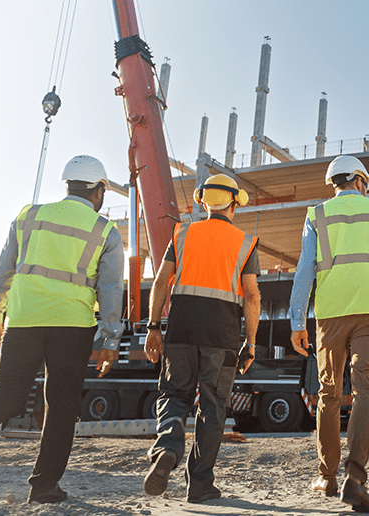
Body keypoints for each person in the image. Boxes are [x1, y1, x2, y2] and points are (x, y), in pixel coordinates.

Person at [0, 155, 124, 503]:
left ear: (67, 185)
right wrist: (109, 339)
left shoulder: (28, 216)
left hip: (24, 319)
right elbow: (110, 290)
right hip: (72, 326)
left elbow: (2, 271)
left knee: (7, 389)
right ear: (99, 191)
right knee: (60, 405)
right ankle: (43, 487)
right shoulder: (105, 231)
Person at [290, 155, 369, 513]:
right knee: (365, 391)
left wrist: (298, 321)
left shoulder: (317, 215)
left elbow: (304, 272)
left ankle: (326, 477)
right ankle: (354, 479)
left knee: (328, 392)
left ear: (334, 183)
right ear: (360, 180)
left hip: (330, 314)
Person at [142, 174, 260, 504]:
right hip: (221, 337)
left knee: (174, 395)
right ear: (234, 204)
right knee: (212, 407)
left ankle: (167, 447)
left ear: (203, 201)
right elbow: (251, 296)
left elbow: (162, 281)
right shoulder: (246, 242)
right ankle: (200, 485)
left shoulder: (182, 233)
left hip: (180, 330)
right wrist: (250, 343)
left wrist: (153, 327)